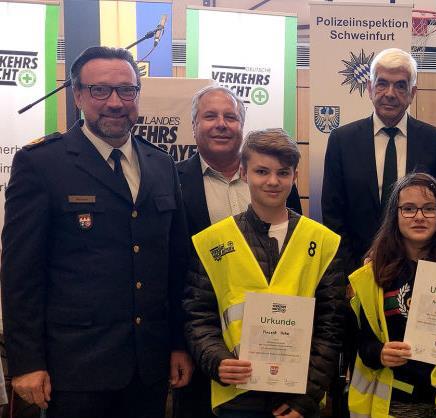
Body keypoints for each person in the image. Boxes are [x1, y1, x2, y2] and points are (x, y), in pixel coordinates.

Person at [0, 46, 192, 418]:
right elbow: (21, 273)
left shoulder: (161, 164)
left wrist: (178, 343)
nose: (115, 102)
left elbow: (175, 266)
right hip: (75, 369)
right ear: (78, 95)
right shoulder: (41, 164)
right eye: (100, 90)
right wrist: (25, 362)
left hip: (148, 366)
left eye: (126, 90)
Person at [183, 128, 344, 417]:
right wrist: (217, 361)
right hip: (236, 395)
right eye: (261, 171)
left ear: (295, 177)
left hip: (299, 398)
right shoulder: (213, 242)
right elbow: (198, 317)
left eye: (283, 173)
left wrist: (307, 397)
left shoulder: (323, 243)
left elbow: (330, 329)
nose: (272, 181)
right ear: (243, 173)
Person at [175, 85, 303, 418]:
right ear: (193, 125)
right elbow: (168, 267)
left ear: (241, 125)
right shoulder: (173, 181)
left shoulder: (274, 178)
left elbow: (295, 249)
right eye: (210, 116)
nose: (221, 124)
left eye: (230, 117)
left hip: (277, 342)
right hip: (202, 339)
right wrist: (179, 344)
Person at [348, 172, 436, 418]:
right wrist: (379, 353)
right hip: (391, 404)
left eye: (429, 209)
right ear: (395, 214)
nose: (419, 217)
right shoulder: (373, 273)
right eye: (408, 209)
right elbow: (357, 341)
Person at [322, 47, 436, 275]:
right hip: (357, 271)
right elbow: (333, 215)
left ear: (413, 92)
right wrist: (350, 274)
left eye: (400, 85)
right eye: (382, 84)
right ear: (370, 89)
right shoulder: (341, 141)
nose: (390, 93)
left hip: (418, 271)